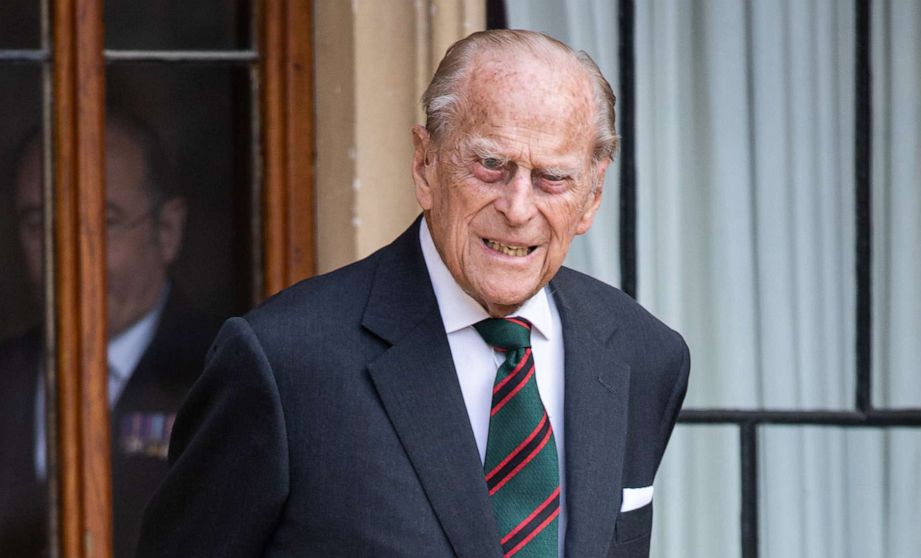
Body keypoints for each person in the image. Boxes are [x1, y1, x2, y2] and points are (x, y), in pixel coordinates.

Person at [137, 30, 690, 557]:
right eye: (491, 165)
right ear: (425, 163)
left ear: (591, 198)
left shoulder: (643, 356)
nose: (519, 209)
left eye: (553, 179)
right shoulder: (283, 363)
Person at [0, 115, 220, 557]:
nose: (68, 252)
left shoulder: (223, 373)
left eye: (105, 220)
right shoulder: (6, 373)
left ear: (168, 230)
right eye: (39, 222)